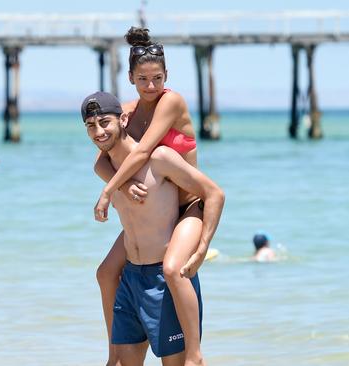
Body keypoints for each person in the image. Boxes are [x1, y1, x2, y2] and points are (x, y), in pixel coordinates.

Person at [93, 28, 216, 366]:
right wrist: (120, 185)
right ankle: (113, 353)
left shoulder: (171, 101)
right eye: (143, 79)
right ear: (131, 76)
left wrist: (108, 192)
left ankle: (194, 353)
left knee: (173, 268)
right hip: (158, 214)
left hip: (188, 207)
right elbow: (102, 160)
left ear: (167, 76)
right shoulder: (128, 112)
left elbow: (145, 149)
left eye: (157, 78)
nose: (150, 85)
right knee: (106, 272)